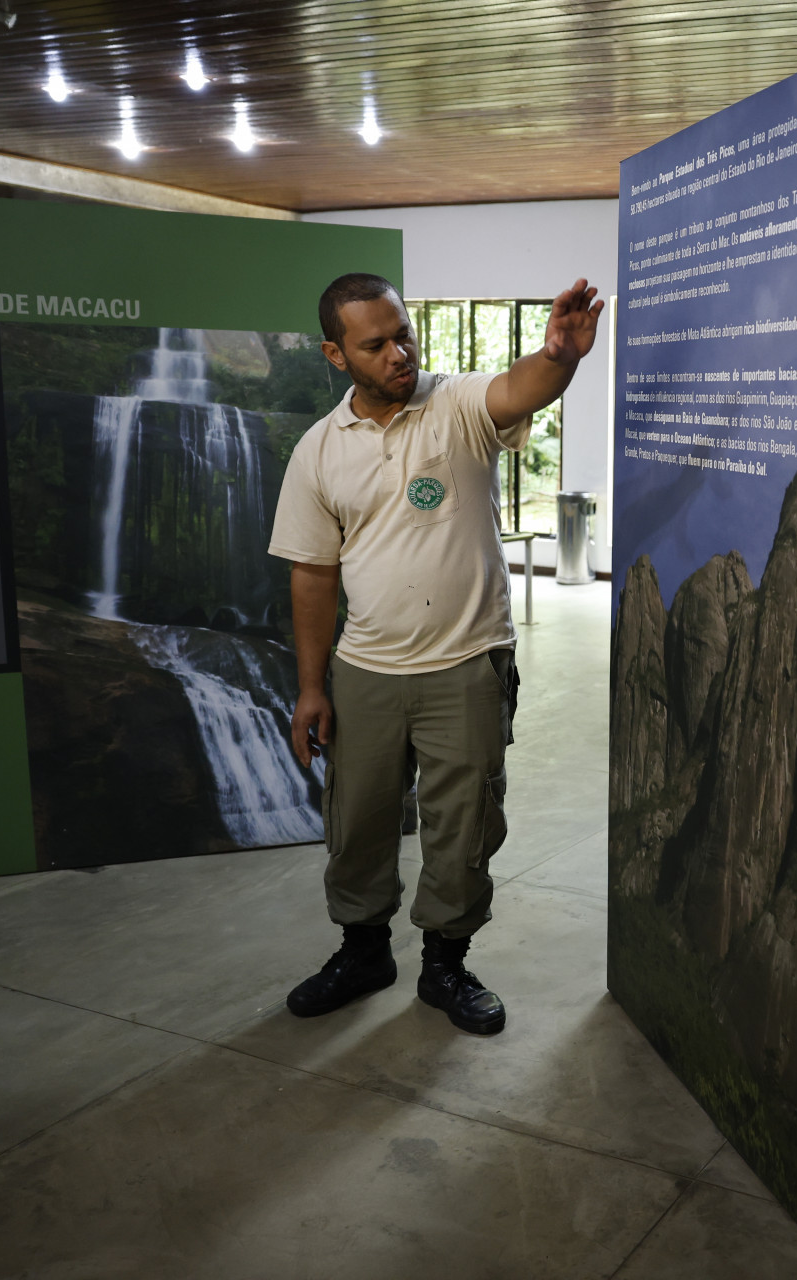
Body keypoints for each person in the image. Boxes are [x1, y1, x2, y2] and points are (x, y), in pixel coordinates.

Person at [268, 272, 604, 1035]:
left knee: (464, 823)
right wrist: (311, 688)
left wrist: (559, 355)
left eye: (404, 333)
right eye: (375, 343)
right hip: (365, 673)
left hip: (466, 664)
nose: (399, 354)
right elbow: (314, 578)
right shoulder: (319, 451)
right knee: (358, 822)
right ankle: (363, 952)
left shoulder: (454, 405)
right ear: (334, 353)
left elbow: (521, 389)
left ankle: (446, 965)